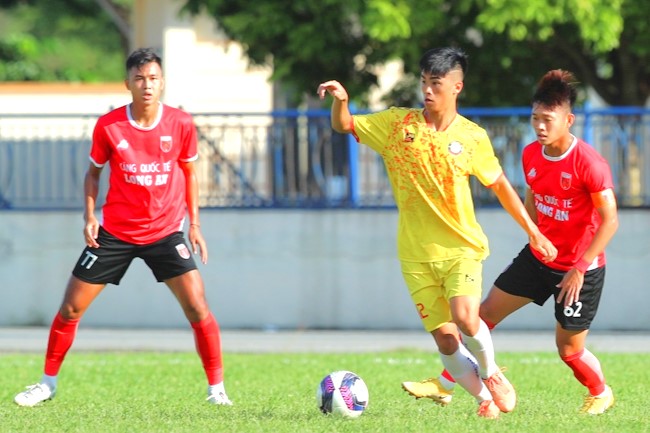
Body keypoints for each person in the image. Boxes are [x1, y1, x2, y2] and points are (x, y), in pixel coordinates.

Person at [317, 47, 557, 419]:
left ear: (456, 87)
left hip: (462, 247)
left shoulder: (472, 137)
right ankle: (484, 400)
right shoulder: (397, 125)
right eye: (424, 82)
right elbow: (344, 125)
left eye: (436, 84)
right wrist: (342, 101)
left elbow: (500, 186)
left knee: (466, 317)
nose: (428, 91)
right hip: (415, 254)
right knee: (446, 339)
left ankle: (491, 372)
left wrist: (533, 231)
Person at [14, 48, 232, 407]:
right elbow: (93, 174)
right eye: (139, 78)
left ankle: (217, 390)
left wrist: (194, 224)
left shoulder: (180, 123)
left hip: (165, 232)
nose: (147, 85)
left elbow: (190, 173)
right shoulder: (110, 126)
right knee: (70, 308)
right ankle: (47, 384)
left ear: (162, 83)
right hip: (115, 232)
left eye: (154, 78)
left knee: (197, 306)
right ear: (127, 83)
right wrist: (89, 216)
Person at [404, 69, 618, 415]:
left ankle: (600, 392)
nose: (540, 126)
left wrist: (580, 267)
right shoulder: (531, 153)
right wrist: (533, 232)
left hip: (579, 270)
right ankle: (445, 385)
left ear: (569, 121)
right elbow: (533, 196)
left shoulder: (590, 163)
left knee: (569, 350)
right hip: (538, 259)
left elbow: (610, 220)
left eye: (548, 119)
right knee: (481, 317)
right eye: (535, 118)